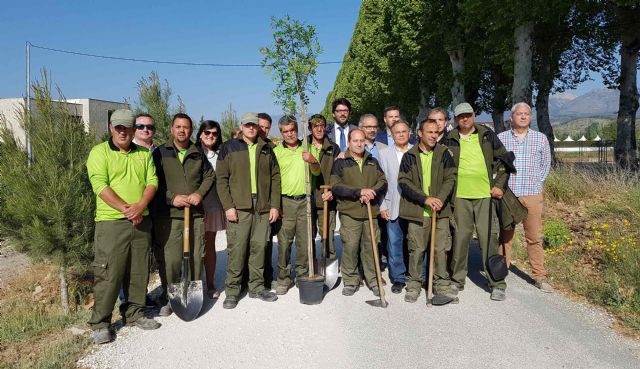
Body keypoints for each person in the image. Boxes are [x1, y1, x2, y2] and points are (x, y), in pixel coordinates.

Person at [86, 109, 160, 344]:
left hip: (141, 220)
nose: (122, 131)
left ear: (133, 129)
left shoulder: (143, 154)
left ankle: (134, 313)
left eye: (127, 127)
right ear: (110, 128)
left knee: (138, 271)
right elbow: (99, 184)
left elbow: (152, 181)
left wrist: (140, 206)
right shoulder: (99, 153)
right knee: (109, 273)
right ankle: (101, 323)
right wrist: (127, 209)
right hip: (111, 222)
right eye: (118, 127)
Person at [151, 113, 214, 316]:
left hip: (194, 215)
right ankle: (171, 296)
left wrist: (199, 194)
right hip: (169, 216)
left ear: (190, 130)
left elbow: (209, 175)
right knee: (171, 259)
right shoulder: (161, 153)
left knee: (196, 256)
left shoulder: (197, 152)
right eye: (178, 126)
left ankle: (194, 293)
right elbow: (152, 183)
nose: (182, 130)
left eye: (186, 127)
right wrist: (171, 198)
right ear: (172, 129)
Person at [445, 103, 509, 301]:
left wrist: (499, 185)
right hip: (460, 196)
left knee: (488, 237)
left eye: (468, 115)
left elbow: (505, 160)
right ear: (455, 119)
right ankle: (457, 280)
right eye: (460, 116)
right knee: (460, 238)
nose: (465, 119)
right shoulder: (449, 139)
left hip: (485, 196)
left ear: (474, 116)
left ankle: (496, 282)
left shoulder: (487, 135)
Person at [216, 112, 280, 309]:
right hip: (239, 208)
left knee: (259, 248)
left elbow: (276, 178)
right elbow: (221, 179)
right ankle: (233, 291)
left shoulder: (267, 148)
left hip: (262, 208)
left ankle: (257, 287)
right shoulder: (229, 147)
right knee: (237, 249)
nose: (251, 128)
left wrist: (275, 205)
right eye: (248, 125)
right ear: (241, 126)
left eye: (254, 125)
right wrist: (228, 206)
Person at [398, 118, 456, 303]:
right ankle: (414, 284)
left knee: (440, 250)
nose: (433, 135)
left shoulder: (444, 153)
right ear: (420, 133)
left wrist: (439, 199)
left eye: (436, 132)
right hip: (417, 211)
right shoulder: (409, 156)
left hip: (441, 211)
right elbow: (404, 182)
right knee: (416, 250)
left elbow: (450, 178)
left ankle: (441, 285)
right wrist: (425, 199)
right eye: (429, 132)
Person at [498, 102, 553, 293]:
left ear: (530, 117)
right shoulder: (501, 139)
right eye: (519, 114)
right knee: (505, 236)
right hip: (508, 195)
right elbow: (495, 165)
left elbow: (546, 164)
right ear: (512, 117)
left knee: (534, 237)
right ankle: (500, 274)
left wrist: (537, 182)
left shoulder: (541, 139)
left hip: (532, 193)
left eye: (526, 114)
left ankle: (538, 276)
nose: (523, 117)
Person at [331, 129, 387, 297]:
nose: (359, 143)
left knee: (371, 247)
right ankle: (350, 280)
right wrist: (359, 192)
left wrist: (372, 192)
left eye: (362, 140)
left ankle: (373, 279)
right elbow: (336, 186)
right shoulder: (341, 162)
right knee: (351, 247)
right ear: (349, 142)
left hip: (370, 211)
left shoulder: (372, 161)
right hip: (350, 212)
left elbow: (382, 181)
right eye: (355, 141)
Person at [273, 115, 321, 294]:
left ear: (297, 130)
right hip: (286, 202)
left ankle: (302, 274)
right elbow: (273, 180)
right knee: (284, 242)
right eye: (285, 132)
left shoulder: (308, 148)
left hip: (306, 201)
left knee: (304, 241)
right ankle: (284, 278)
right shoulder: (277, 152)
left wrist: (312, 160)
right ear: (281, 133)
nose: (290, 134)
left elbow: (317, 172)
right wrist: (276, 204)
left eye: (292, 130)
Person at [378, 120, 413, 293]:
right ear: (391, 135)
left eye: (404, 131)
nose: (400, 134)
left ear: (409, 133)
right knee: (394, 243)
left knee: (415, 243)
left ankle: (415, 275)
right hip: (393, 205)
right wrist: (382, 205)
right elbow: (380, 182)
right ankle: (398, 277)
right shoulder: (384, 154)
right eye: (397, 132)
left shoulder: (417, 151)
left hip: (414, 206)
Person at [196, 120, 227, 299]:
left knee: (209, 245)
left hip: (214, 205)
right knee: (193, 247)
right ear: (200, 134)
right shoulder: (193, 153)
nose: (210, 136)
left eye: (214, 134)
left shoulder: (221, 154)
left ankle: (210, 283)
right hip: (195, 206)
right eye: (207, 133)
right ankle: (194, 282)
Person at [307, 114, 340, 259]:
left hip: (326, 198)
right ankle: (311, 265)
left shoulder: (333, 148)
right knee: (308, 235)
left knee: (328, 235)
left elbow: (339, 172)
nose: (319, 129)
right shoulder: (303, 146)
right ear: (310, 128)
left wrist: (333, 189)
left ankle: (328, 262)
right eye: (315, 126)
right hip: (306, 198)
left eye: (322, 126)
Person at [257, 112, 276, 289]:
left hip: (266, 202)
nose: (263, 130)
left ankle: (266, 276)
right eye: (261, 126)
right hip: (247, 203)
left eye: (267, 127)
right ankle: (247, 278)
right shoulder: (239, 145)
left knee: (266, 241)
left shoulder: (270, 147)